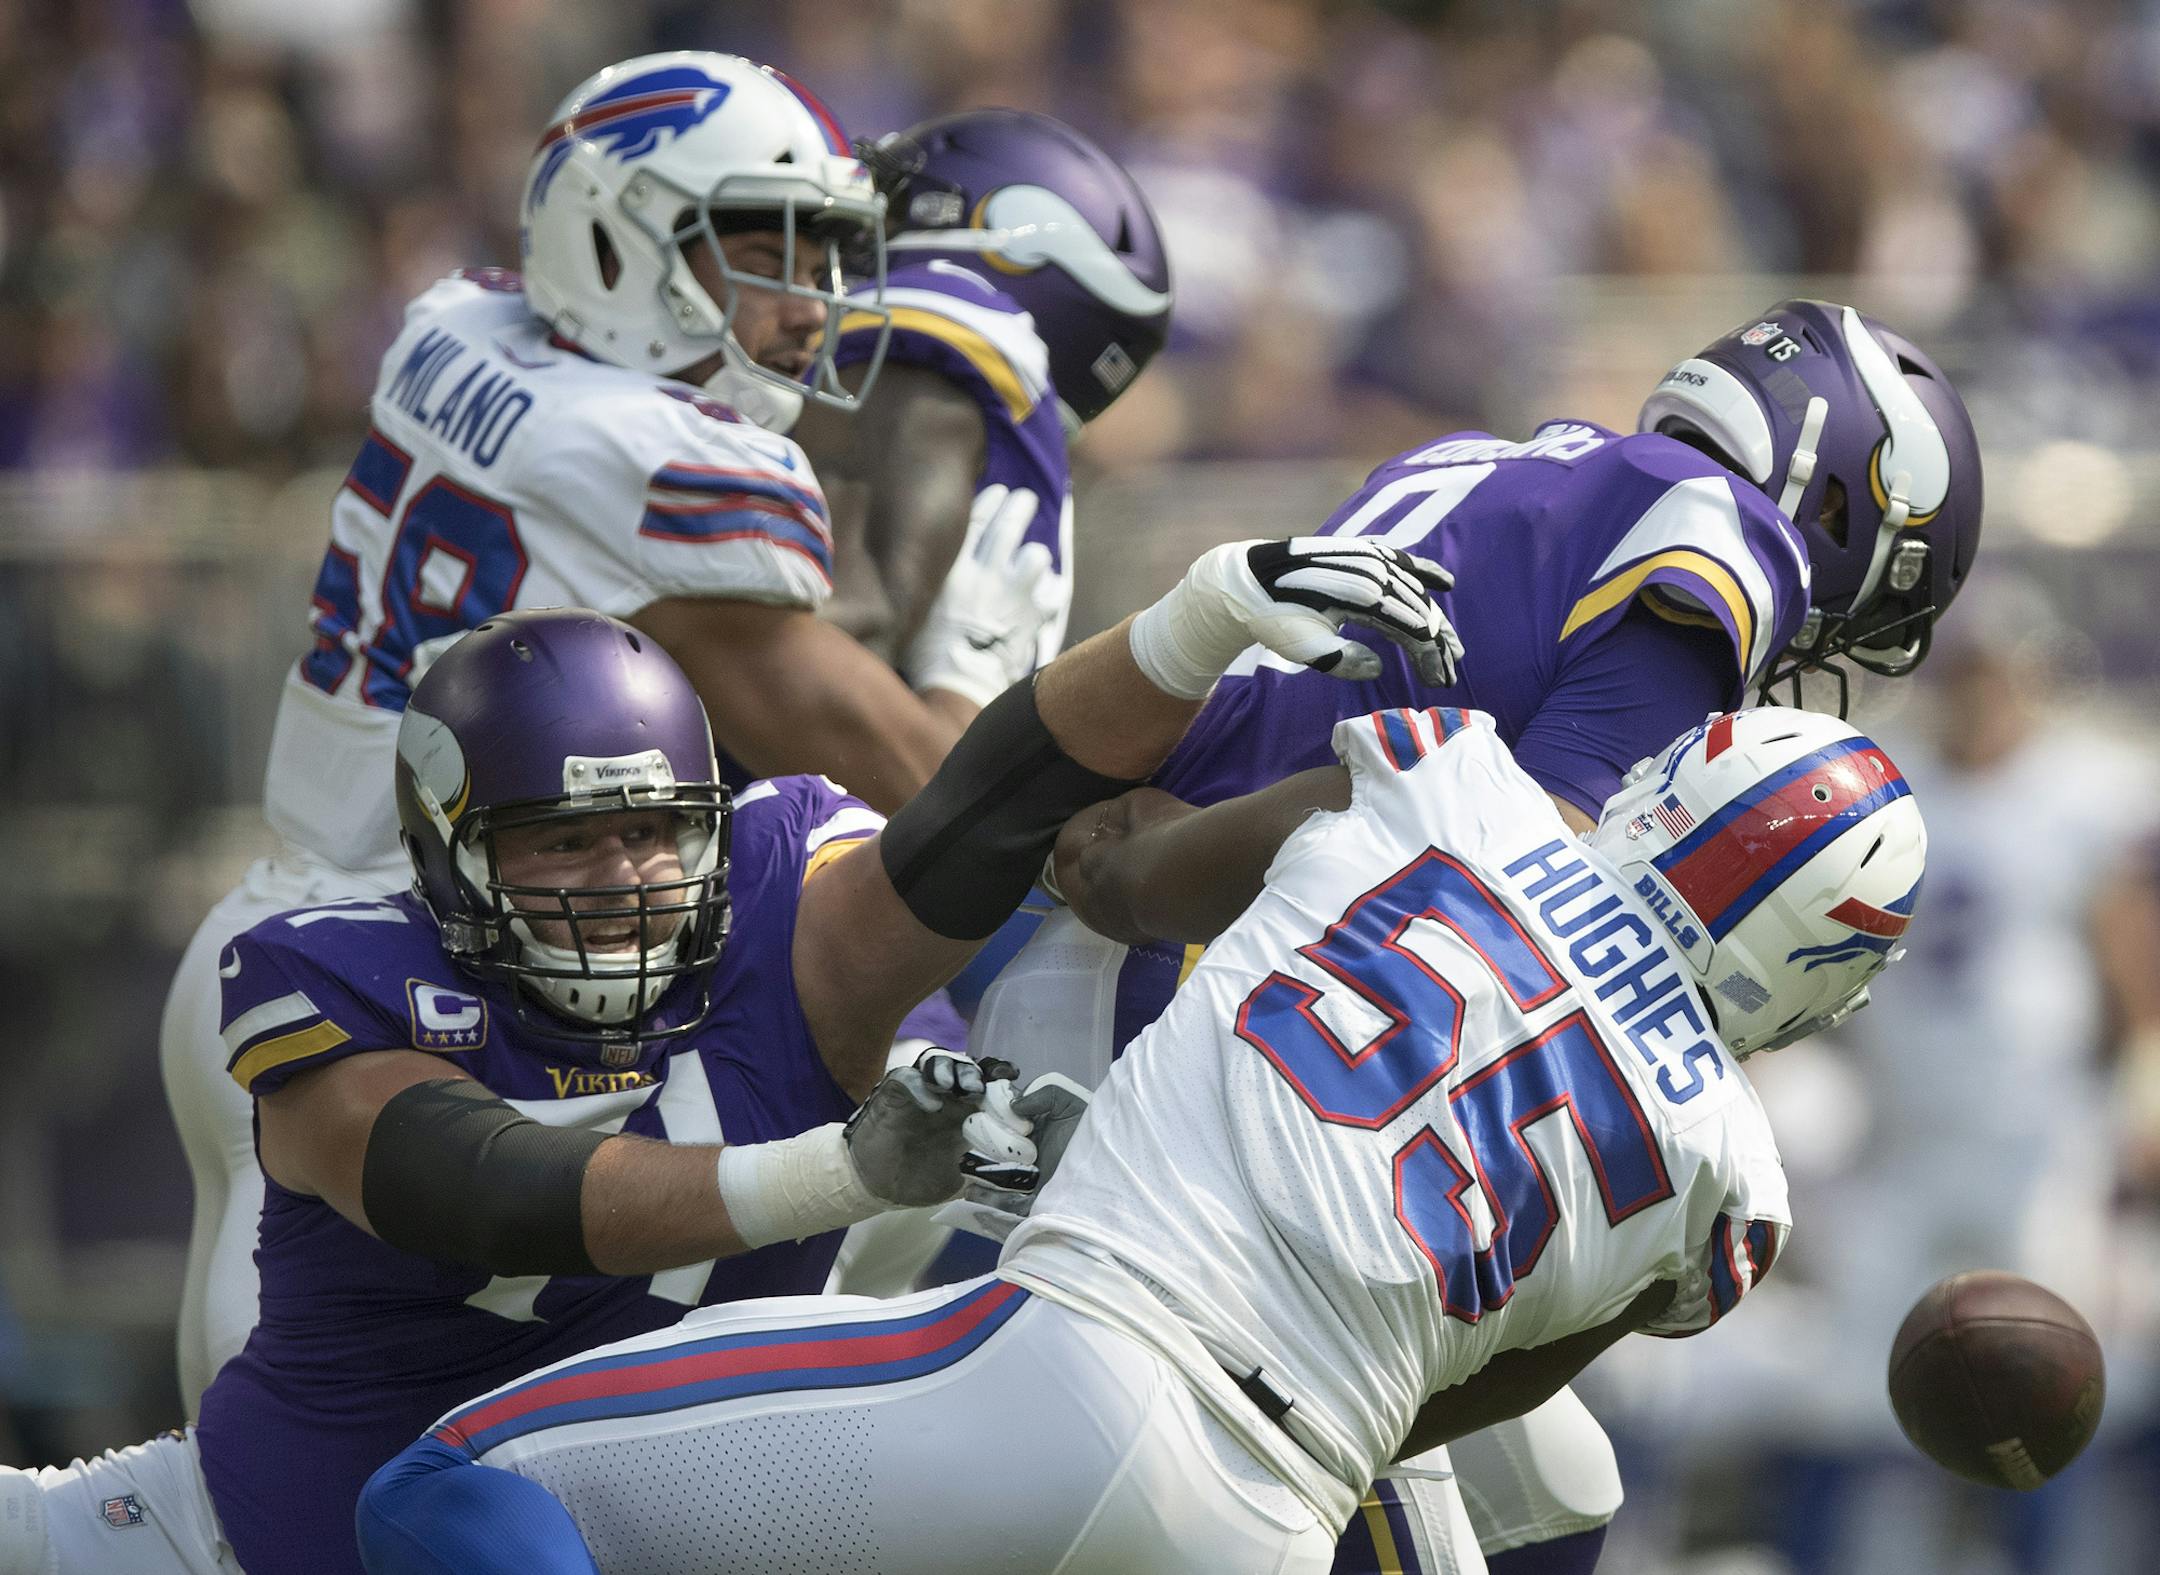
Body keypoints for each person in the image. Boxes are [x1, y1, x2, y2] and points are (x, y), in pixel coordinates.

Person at [4, 533, 1458, 1575]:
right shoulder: (341, 973)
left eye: (656, 827)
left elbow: (986, 805)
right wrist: (840, 1169)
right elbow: (481, 1183)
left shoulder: (783, 919)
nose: (627, 871)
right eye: (565, 837)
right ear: (448, 854)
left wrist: (1198, 620)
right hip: (241, 1538)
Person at [350, 699, 1928, 1575]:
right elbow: (1454, 1397)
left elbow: (1143, 883)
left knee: (453, 1488)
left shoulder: (1458, 777)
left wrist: (1108, 850)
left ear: (1673, 790)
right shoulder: (1736, 1182)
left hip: (1060, 1364)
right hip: (1276, 1517)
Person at [963, 297, 1984, 1574]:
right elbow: (1500, 901)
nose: (1824, 640)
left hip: (1181, 952)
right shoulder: (1717, 538)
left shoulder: (1511, 467)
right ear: (1832, 502)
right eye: (1865, 588)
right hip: (1189, 1010)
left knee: (1556, 1489)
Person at [156, 50, 1084, 1418]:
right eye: (758, 252)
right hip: (407, 1012)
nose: (803, 301)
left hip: (286, 932)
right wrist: (981, 659)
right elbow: (924, 781)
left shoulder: (463, 328)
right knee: (305, 1487)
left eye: (818, 252)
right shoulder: (665, 470)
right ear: (613, 236)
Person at [794, 107, 1172, 688]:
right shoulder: (1008, 413)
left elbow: (841, 645)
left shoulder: (941, 338)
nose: (842, 244)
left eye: (885, 214)